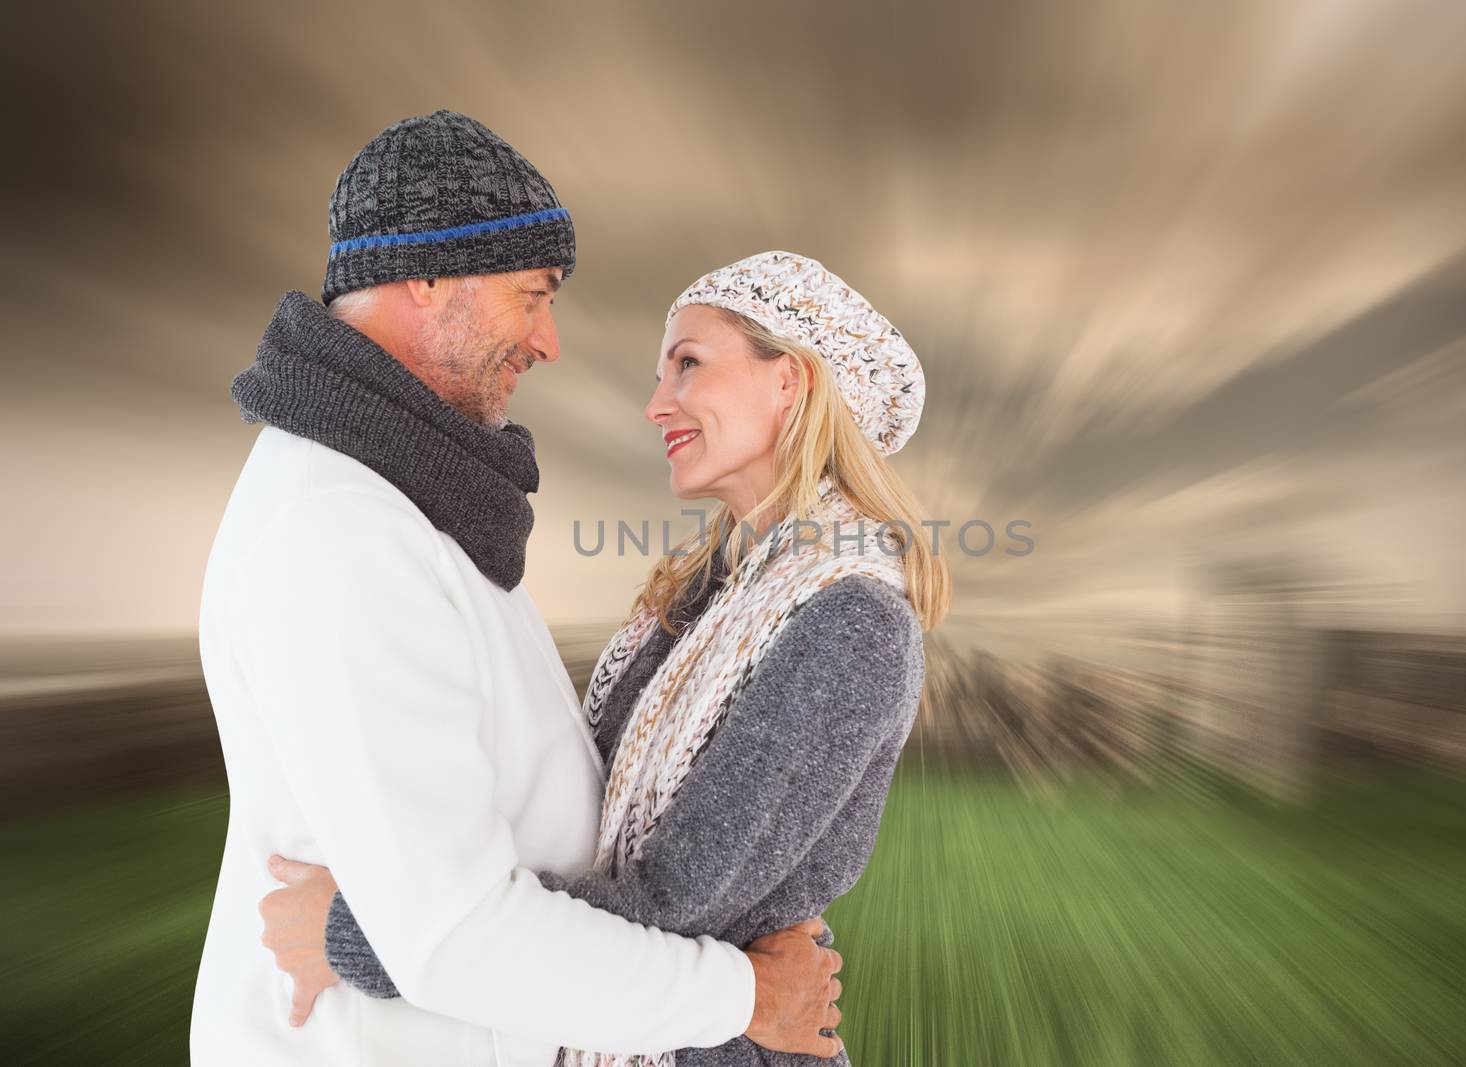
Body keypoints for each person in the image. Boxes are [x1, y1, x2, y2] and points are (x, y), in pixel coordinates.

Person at [192, 111, 843, 1067]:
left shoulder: (408, 500)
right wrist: (743, 995)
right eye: (531, 294)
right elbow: (456, 936)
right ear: (426, 274)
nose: (549, 340)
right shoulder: (343, 535)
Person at [257, 250, 953, 1066]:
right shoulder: (701, 594)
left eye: (688, 365)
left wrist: (362, 930)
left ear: (790, 382)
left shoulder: (852, 623)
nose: (658, 404)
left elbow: (668, 905)